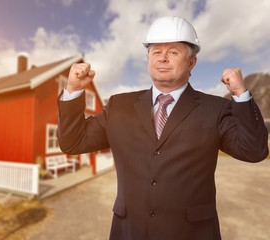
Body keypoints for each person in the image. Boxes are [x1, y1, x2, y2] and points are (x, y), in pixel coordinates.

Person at [57, 16, 269, 240]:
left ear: (192, 62)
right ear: (148, 58)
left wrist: (241, 95)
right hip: (130, 232)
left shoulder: (215, 108)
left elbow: (254, 151)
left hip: (192, 234)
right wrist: (73, 91)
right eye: (156, 52)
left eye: (173, 52)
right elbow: (73, 142)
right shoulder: (119, 106)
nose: (163, 59)